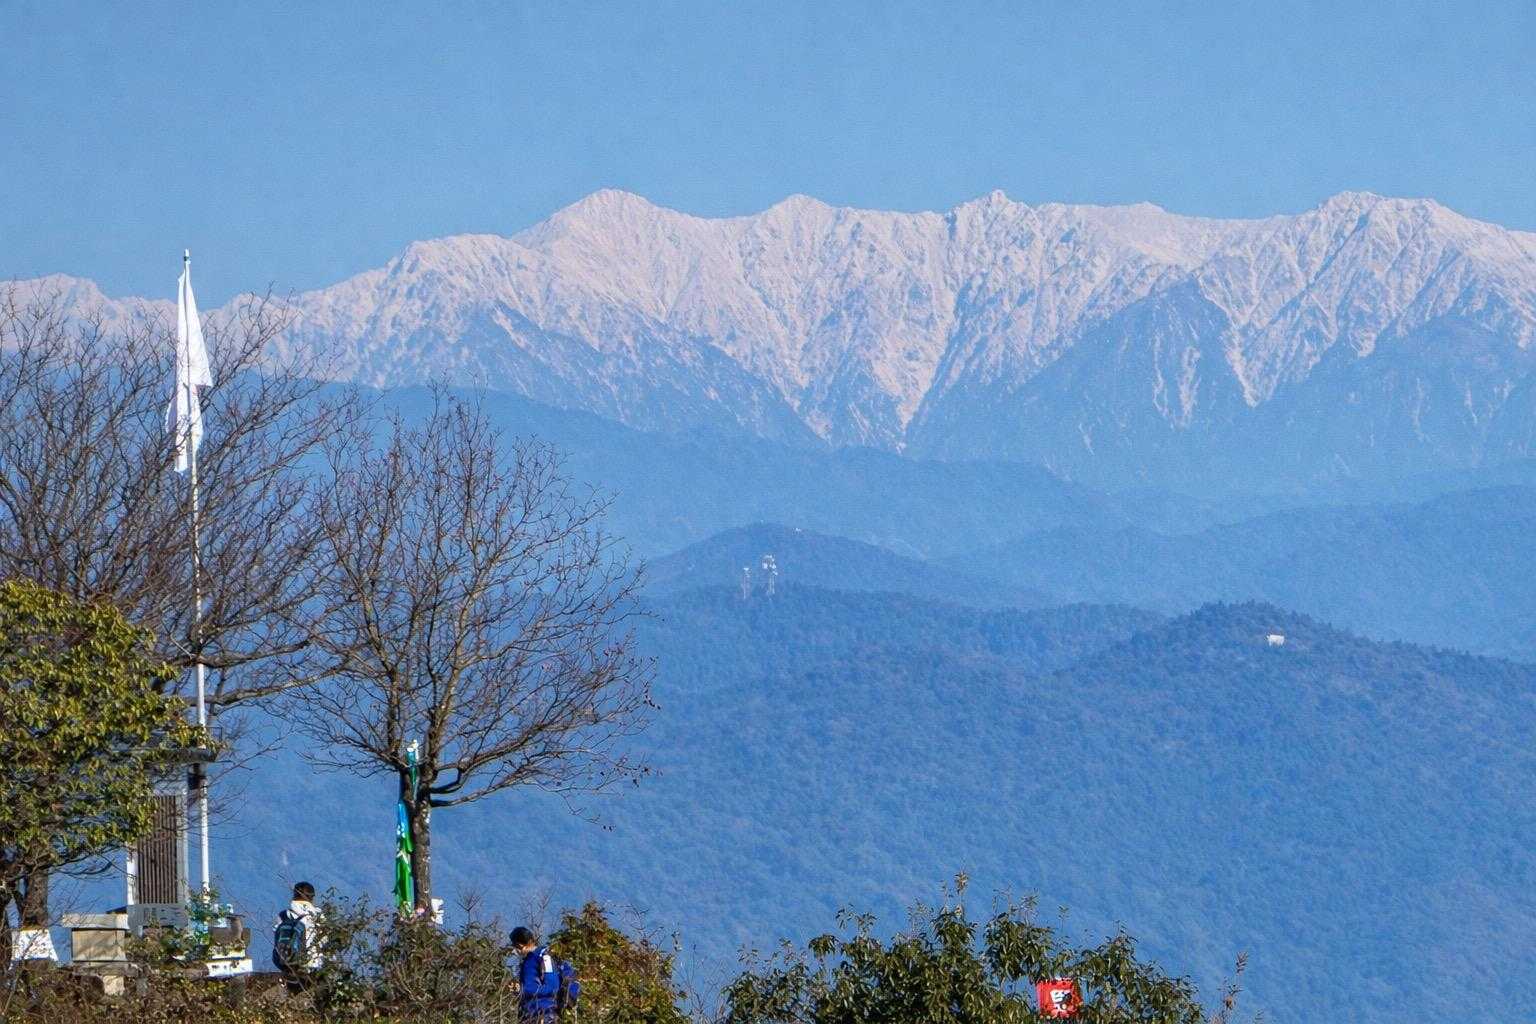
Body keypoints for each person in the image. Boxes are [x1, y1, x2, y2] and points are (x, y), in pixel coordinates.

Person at [273, 881, 324, 994]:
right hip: (314, 967)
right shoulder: (319, 916)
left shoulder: (283, 915)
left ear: (294, 895)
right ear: (312, 897)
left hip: (288, 966)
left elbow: (277, 938)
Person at [511, 926, 561, 1022]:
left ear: (520, 945)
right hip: (528, 1015)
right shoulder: (527, 960)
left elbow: (552, 987)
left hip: (543, 1014)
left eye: (515, 946)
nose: (514, 951)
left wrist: (523, 990)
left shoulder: (545, 957)